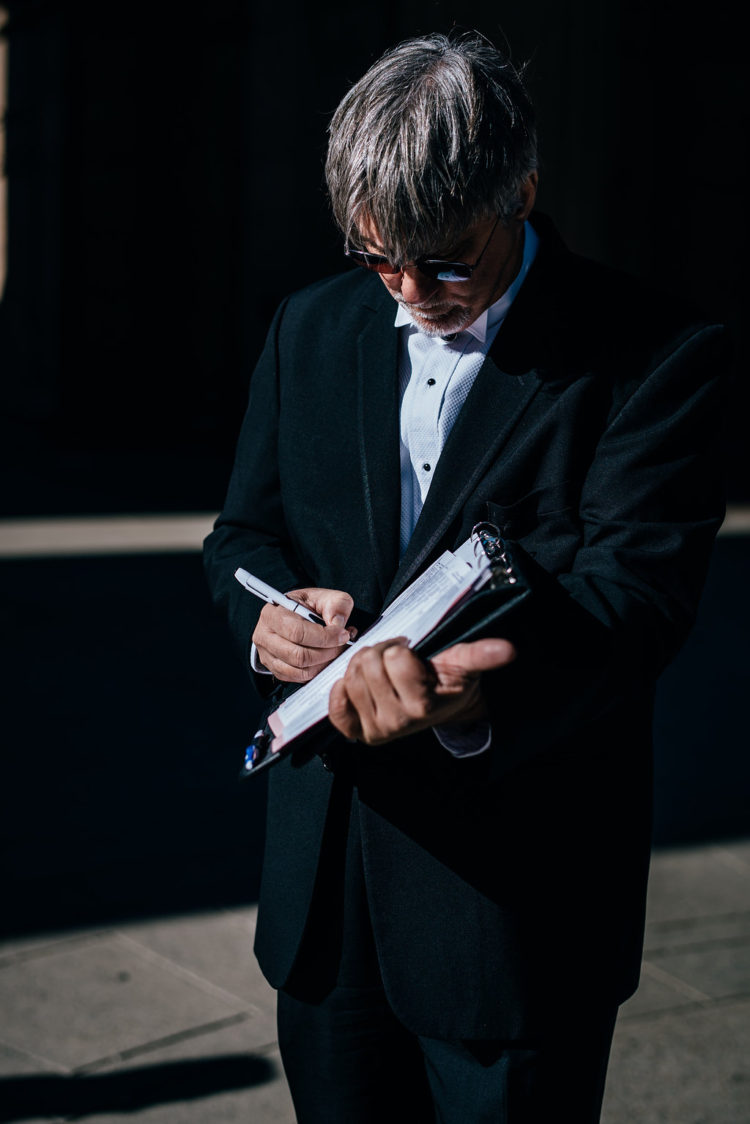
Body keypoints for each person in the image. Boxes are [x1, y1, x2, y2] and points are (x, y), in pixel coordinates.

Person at [203, 32, 727, 1122]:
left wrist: (488, 689)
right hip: (329, 904)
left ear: (524, 192)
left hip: (517, 911)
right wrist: (270, 623)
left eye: (444, 258)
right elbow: (241, 534)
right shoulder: (311, 326)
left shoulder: (656, 354)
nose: (408, 288)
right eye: (377, 256)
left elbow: (637, 601)